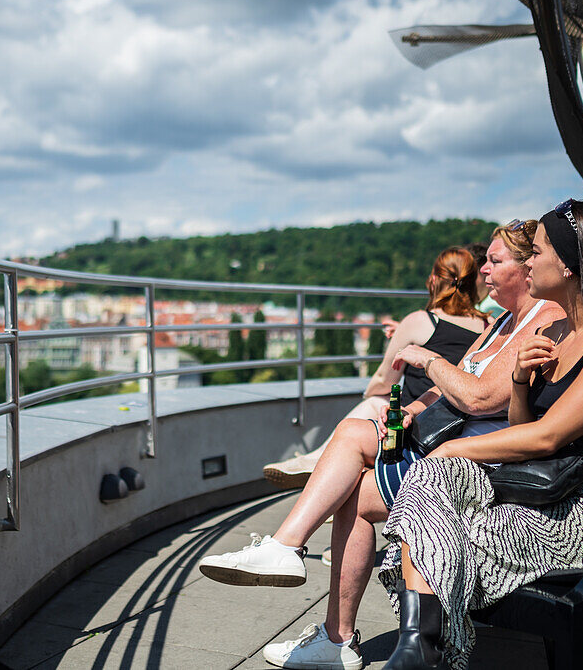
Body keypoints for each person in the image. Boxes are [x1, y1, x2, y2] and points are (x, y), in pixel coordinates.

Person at [197, 221, 563, 670]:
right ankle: (297, 569)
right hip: (448, 445)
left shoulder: (543, 318)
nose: (482, 269)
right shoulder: (503, 320)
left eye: (494, 260)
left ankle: (323, 616)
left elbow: (479, 395)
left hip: (479, 466)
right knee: (353, 441)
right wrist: (418, 408)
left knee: (354, 480)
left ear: (528, 267)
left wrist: (428, 360)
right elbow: (463, 379)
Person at [377, 200, 583, 670]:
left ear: (572, 265)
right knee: (431, 485)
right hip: (539, 486)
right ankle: (419, 651)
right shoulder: (556, 331)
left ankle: (423, 650)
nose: (528, 262)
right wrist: (518, 380)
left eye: (536, 253)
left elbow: (546, 439)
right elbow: (522, 432)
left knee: (452, 526)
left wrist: (455, 446)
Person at [262, 246, 490, 489]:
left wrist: (369, 394)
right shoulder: (490, 325)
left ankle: (318, 463)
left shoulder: (420, 321)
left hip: (417, 420)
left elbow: (384, 377)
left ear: (434, 280)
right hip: (460, 421)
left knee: (376, 401)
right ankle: (320, 465)